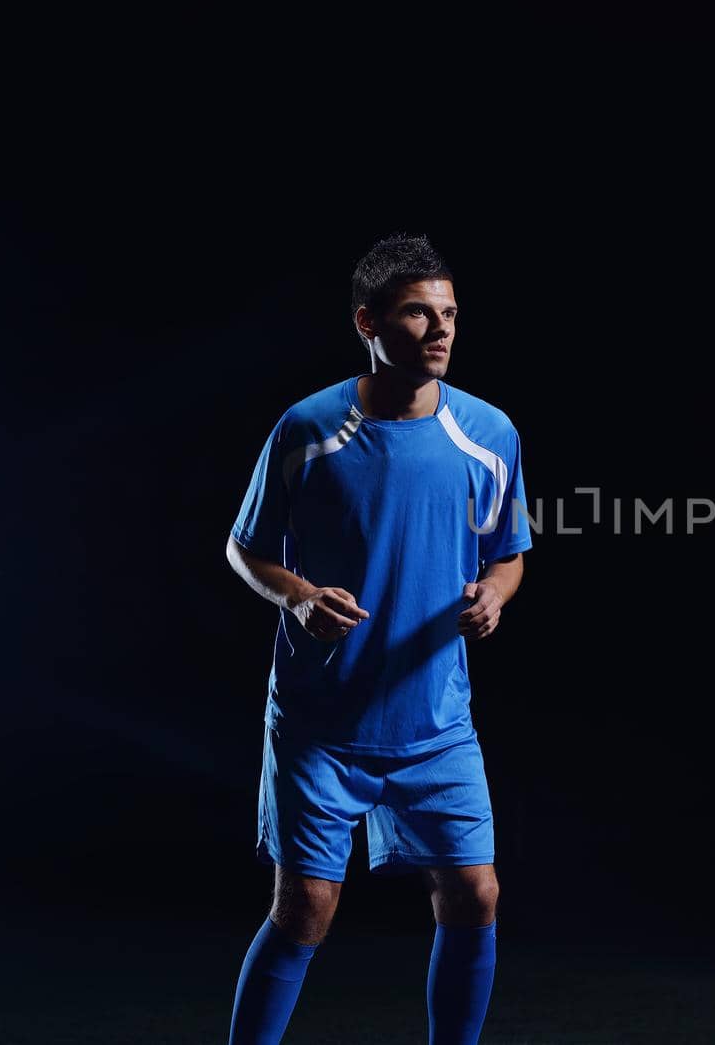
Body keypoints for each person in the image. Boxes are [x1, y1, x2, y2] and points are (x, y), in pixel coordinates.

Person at [223, 232, 531, 1044]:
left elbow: (509, 555)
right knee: (306, 909)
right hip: (322, 724)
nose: (440, 331)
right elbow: (244, 548)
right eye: (417, 314)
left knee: (477, 894)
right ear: (368, 322)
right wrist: (296, 598)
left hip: (435, 723)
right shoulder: (310, 429)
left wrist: (493, 598)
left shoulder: (490, 435)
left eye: (451, 314)